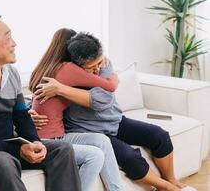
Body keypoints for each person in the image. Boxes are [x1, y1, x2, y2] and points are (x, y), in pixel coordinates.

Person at [31, 32, 197, 191]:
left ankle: (172, 180)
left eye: (99, 63)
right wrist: (29, 112)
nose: (98, 69)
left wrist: (61, 89)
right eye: (91, 67)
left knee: (159, 135)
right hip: (88, 130)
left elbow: (104, 99)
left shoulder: (104, 64)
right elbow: (39, 97)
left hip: (115, 122)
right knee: (129, 157)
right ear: (77, 65)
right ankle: (166, 187)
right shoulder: (68, 72)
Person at [0, 15, 81, 191]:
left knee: (62, 150)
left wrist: (34, 141)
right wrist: (17, 150)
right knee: (4, 162)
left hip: (5, 144)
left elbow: (21, 117)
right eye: (8, 37)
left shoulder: (11, 73)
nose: (14, 43)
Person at [29, 28, 123, 191]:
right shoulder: (67, 69)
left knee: (102, 141)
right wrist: (114, 75)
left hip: (57, 135)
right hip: (50, 139)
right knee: (95, 156)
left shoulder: (49, 68)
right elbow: (110, 86)